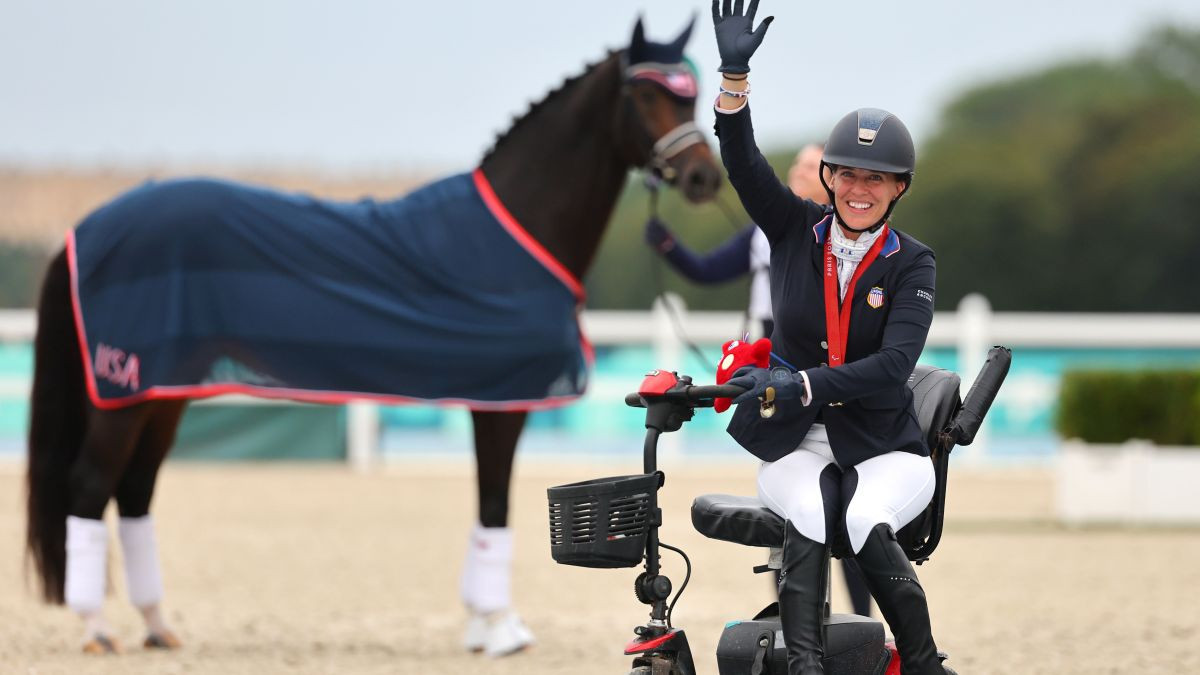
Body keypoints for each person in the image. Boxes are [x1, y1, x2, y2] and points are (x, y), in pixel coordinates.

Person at [710, 2, 945, 674]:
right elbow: (740, 159)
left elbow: (896, 362)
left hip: (884, 443)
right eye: (847, 173)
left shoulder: (913, 262)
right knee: (811, 513)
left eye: (876, 177)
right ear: (829, 178)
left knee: (865, 517)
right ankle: (808, 669)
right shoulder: (791, 228)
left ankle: (924, 664)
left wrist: (805, 380)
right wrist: (733, 79)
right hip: (794, 436)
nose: (859, 187)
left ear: (897, 186)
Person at [643, 144, 877, 620]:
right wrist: (665, 242)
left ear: (832, 180)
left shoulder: (845, 238)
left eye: (808, 167)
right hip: (770, 359)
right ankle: (792, 618)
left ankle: (863, 623)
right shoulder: (761, 233)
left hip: (822, 361)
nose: (796, 172)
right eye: (796, 165)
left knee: (849, 494)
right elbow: (706, 271)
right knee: (787, 496)